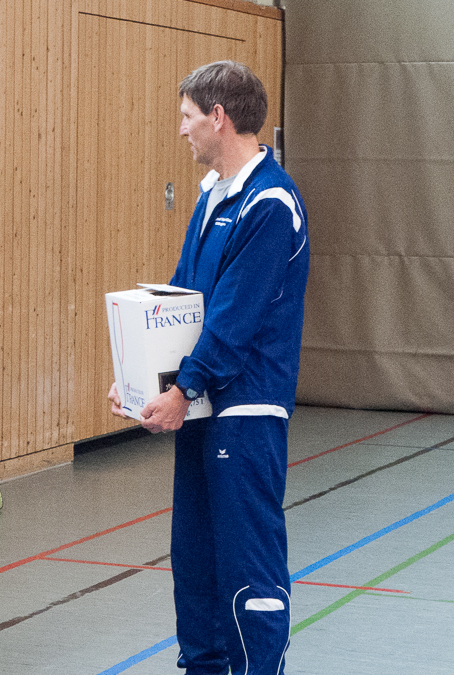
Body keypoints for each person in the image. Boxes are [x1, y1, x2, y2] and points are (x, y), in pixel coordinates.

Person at [108, 61, 309, 675]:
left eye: (187, 117)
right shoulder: (214, 196)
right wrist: (140, 375)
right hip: (201, 411)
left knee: (247, 562)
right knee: (195, 560)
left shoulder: (270, 202)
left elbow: (233, 317)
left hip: (243, 412)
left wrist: (187, 384)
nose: (182, 131)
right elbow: (181, 298)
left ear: (218, 118)